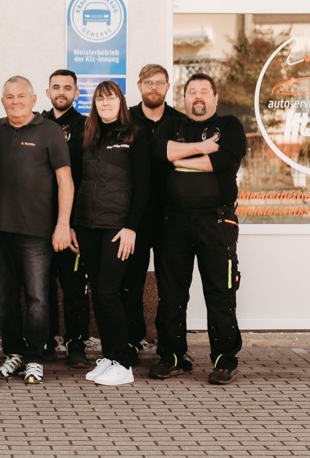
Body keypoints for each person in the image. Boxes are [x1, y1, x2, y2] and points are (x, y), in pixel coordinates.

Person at [149, 72, 245, 385]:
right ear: (184, 97)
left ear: (215, 97)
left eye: (204, 91)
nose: (198, 96)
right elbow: (159, 152)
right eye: (192, 91)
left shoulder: (229, 125)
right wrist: (203, 148)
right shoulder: (171, 124)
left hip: (216, 222)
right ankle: (172, 357)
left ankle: (224, 361)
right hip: (173, 223)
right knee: (171, 295)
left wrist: (180, 158)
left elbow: (223, 162)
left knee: (220, 294)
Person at [0, 76, 75, 385]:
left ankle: (35, 357)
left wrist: (63, 224)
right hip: (0, 232)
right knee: (5, 297)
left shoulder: (50, 131)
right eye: (9, 97)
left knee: (37, 298)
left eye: (21, 96)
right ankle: (13, 353)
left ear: (34, 99)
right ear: (2, 101)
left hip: (37, 232)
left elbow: (65, 181)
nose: (15, 101)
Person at [73, 80, 150, 386]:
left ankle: (124, 362)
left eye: (111, 98)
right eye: (100, 99)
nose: (105, 104)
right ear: (94, 104)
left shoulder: (134, 135)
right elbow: (77, 181)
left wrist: (132, 228)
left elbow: (144, 186)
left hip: (118, 227)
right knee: (98, 292)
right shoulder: (87, 135)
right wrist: (74, 224)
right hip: (88, 225)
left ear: (121, 102)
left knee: (108, 292)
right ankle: (109, 357)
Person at [122, 64, 187, 363]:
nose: (154, 87)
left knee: (172, 287)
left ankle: (171, 349)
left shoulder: (180, 122)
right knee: (131, 284)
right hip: (134, 218)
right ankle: (131, 342)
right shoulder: (125, 120)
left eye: (159, 82)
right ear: (139, 86)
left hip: (172, 217)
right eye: (148, 82)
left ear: (168, 87)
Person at [40, 69, 90, 368]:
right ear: (47, 92)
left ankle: (76, 345)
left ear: (76, 93)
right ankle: (45, 341)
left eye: (67, 87)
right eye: (56, 87)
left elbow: (87, 177)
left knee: (74, 287)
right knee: (42, 287)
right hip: (39, 221)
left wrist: (74, 223)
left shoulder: (87, 126)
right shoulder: (38, 123)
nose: (61, 92)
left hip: (72, 223)